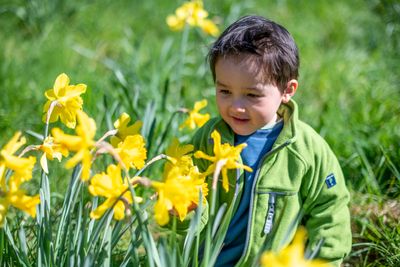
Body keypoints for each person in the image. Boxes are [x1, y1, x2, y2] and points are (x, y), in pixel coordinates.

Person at [191, 15, 352, 266]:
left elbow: (330, 209)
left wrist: (326, 260)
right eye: (224, 91)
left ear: (287, 90)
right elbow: (188, 203)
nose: (236, 107)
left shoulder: (306, 149)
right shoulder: (208, 139)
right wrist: (180, 214)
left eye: (252, 94)